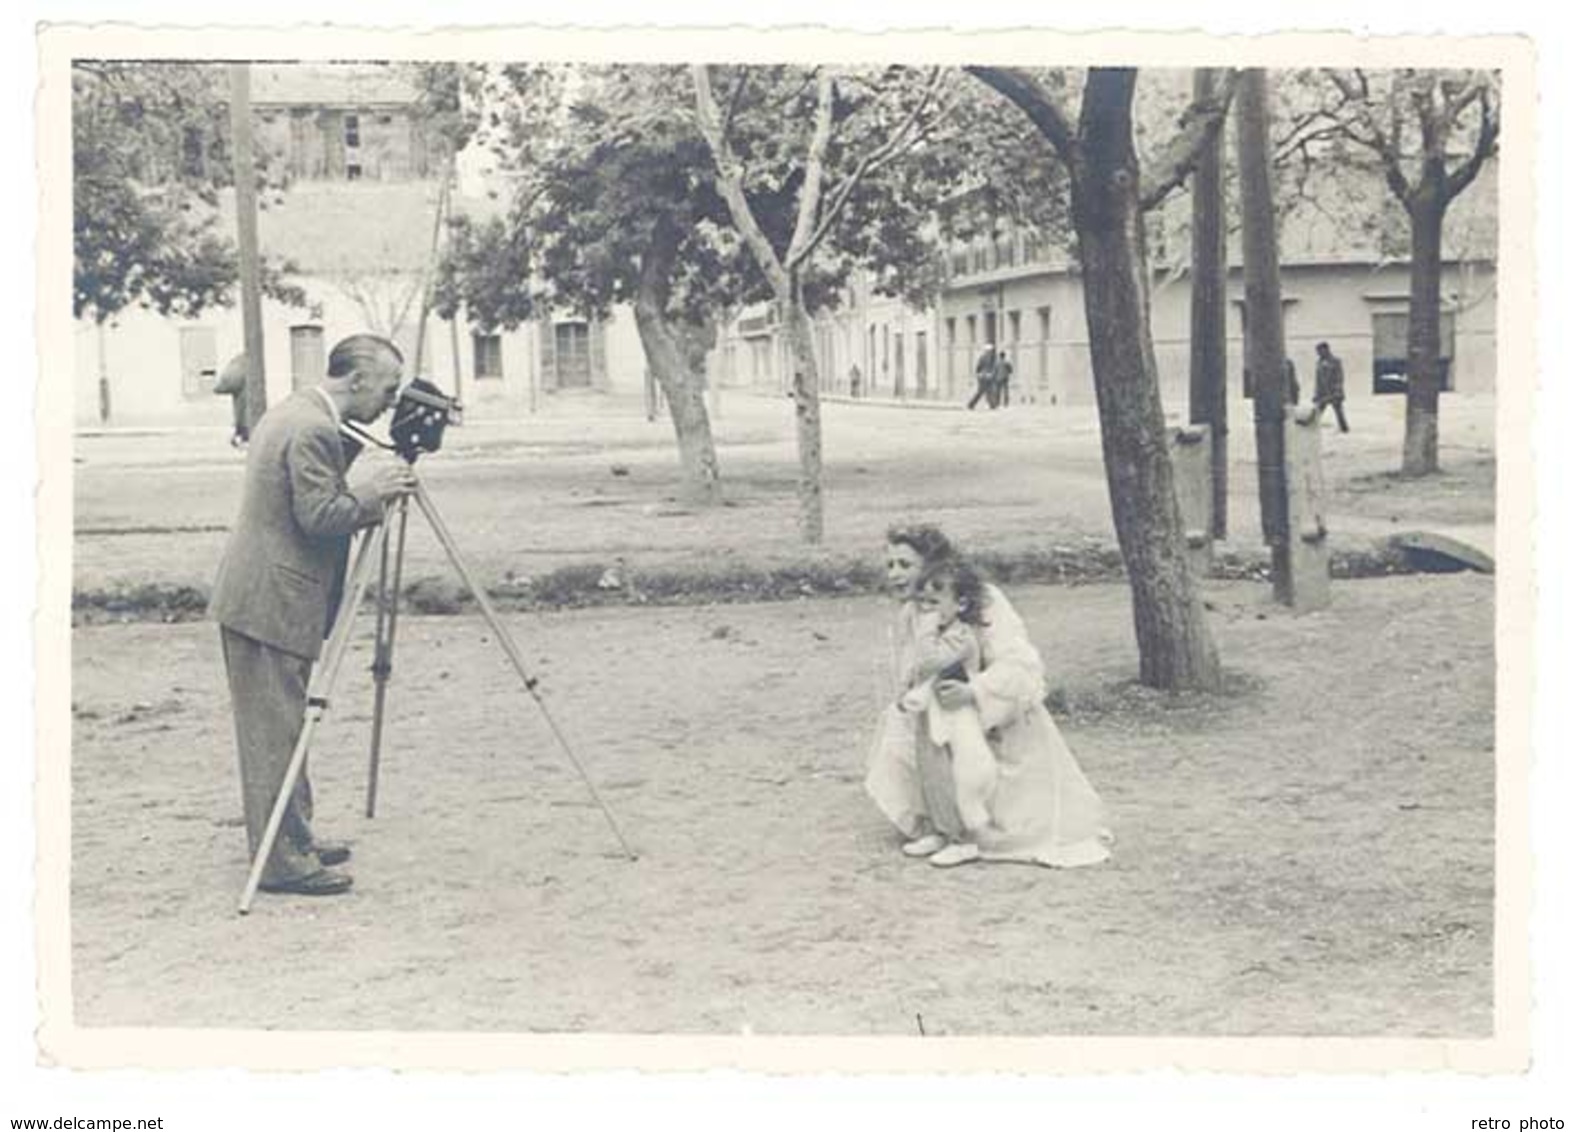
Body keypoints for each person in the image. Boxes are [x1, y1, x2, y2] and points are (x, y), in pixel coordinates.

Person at [209, 334, 416, 897]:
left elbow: (307, 484)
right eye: (388, 388)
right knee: (274, 734)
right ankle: (282, 861)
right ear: (356, 381)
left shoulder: (300, 411)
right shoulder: (312, 427)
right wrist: (376, 493)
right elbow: (321, 515)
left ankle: (292, 835)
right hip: (269, 601)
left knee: (284, 725)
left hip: (264, 594)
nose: (391, 402)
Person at [864, 524, 1112, 869]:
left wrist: (975, 692)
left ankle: (970, 832)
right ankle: (940, 822)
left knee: (974, 773)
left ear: (934, 566)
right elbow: (918, 669)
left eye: (905, 565)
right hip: (940, 711)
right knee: (903, 730)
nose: (894, 574)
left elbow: (1021, 667)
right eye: (889, 565)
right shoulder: (913, 612)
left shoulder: (984, 599)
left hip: (995, 714)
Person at [896, 558, 997, 866]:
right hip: (932, 713)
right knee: (931, 773)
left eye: (934, 602)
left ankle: (963, 839)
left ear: (961, 603)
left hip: (957, 717)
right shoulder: (938, 631)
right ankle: (940, 829)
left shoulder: (961, 635)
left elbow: (930, 663)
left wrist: (924, 632)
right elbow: (917, 670)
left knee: (958, 776)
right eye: (923, 602)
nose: (926, 610)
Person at [213, 352, 251, 448]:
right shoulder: (243, 363)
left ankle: (241, 437)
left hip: (244, 413)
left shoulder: (240, 362)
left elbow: (223, 385)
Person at [1313, 341, 1350, 433]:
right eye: (1317, 351)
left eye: (1319, 351)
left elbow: (1339, 377)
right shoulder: (1319, 363)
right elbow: (1317, 380)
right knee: (1318, 411)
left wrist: (1338, 390)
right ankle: (1311, 426)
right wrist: (1316, 393)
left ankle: (1344, 428)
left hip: (1333, 392)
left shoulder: (1336, 361)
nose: (1318, 353)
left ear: (1326, 350)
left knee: (1339, 411)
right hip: (1323, 393)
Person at [967, 345, 997, 410]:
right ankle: (971, 404)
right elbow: (979, 367)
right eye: (989, 351)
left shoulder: (990, 358)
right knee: (982, 391)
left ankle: (992, 405)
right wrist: (979, 373)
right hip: (984, 376)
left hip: (986, 376)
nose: (990, 352)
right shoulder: (986, 358)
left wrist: (990, 373)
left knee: (988, 391)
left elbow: (980, 367)